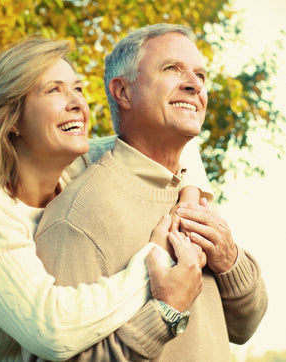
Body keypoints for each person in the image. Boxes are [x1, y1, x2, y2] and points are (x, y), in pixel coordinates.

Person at [0, 37, 211, 361]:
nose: (77, 103)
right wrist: (155, 262)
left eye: (77, 89)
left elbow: (177, 142)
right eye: (54, 90)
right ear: (11, 118)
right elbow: (51, 331)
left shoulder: (73, 170)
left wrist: (187, 208)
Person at [31, 23, 268, 361]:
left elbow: (245, 327)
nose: (194, 84)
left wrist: (230, 260)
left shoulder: (194, 198)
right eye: (172, 69)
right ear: (123, 93)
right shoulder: (77, 217)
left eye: (201, 75)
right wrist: (165, 313)